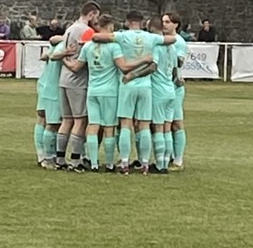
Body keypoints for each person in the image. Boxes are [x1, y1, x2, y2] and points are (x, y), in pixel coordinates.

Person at [63, 15, 152, 172]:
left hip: (93, 90)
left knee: (93, 125)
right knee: (109, 127)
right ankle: (110, 164)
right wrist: (143, 60)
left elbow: (76, 67)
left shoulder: (88, 46)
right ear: (110, 26)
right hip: (109, 91)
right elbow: (124, 67)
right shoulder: (114, 47)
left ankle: (94, 163)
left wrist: (62, 59)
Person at [93, 11, 176, 175]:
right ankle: (145, 163)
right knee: (144, 124)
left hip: (127, 83)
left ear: (127, 22)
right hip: (146, 86)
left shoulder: (122, 36)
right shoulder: (150, 38)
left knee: (126, 124)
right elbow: (171, 39)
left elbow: (97, 37)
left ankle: (124, 162)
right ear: (141, 22)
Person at [56, 1, 101, 172]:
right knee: (80, 120)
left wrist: (63, 59)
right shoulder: (85, 31)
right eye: (95, 17)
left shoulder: (70, 27)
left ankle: (60, 158)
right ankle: (75, 160)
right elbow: (86, 56)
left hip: (64, 79)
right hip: (77, 80)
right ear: (91, 14)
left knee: (66, 120)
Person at [34, 35, 70, 170]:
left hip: (45, 84)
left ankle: (42, 155)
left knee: (42, 119)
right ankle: (49, 158)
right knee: (52, 123)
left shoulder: (59, 43)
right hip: (53, 88)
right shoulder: (65, 46)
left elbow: (51, 44)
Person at [147, 16, 176, 174]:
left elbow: (153, 66)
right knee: (167, 128)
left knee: (158, 128)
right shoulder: (171, 47)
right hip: (170, 89)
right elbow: (175, 69)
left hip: (158, 90)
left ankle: (160, 165)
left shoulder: (156, 46)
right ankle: (165, 162)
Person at [163, 11, 188, 171]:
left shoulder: (178, 41)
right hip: (164, 86)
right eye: (163, 21)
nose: (164, 24)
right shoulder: (162, 40)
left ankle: (178, 159)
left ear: (175, 25)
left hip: (174, 86)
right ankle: (169, 156)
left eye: (167, 22)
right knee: (166, 123)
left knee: (176, 123)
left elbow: (178, 63)